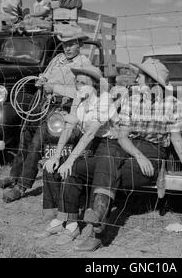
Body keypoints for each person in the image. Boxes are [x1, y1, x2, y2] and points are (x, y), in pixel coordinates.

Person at [69, 59, 182, 252]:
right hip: (128, 146)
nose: (136, 77)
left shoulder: (173, 104)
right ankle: (91, 222)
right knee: (106, 155)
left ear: (150, 81)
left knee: (105, 166)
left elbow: (176, 138)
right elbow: (122, 137)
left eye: (140, 75)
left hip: (154, 152)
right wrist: (138, 155)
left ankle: (95, 227)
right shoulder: (131, 100)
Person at [0, 26, 92, 203]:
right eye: (65, 44)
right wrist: (42, 80)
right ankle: (14, 176)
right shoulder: (58, 59)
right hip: (41, 103)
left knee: (37, 142)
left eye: (71, 44)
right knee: (25, 136)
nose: (67, 48)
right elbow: (46, 75)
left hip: (59, 108)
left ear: (80, 44)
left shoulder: (84, 64)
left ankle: (21, 186)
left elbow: (82, 90)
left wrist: (54, 88)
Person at [37, 65, 120, 246]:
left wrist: (70, 159)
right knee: (52, 165)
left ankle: (72, 225)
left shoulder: (104, 100)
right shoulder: (80, 99)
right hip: (88, 143)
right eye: (76, 81)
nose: (78, 85)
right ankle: (61, 220)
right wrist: (57, 155)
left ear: (95, 85)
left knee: (71, 168)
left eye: (83, 82)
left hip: (107, 146)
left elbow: (91, 133)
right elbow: (69, 127)